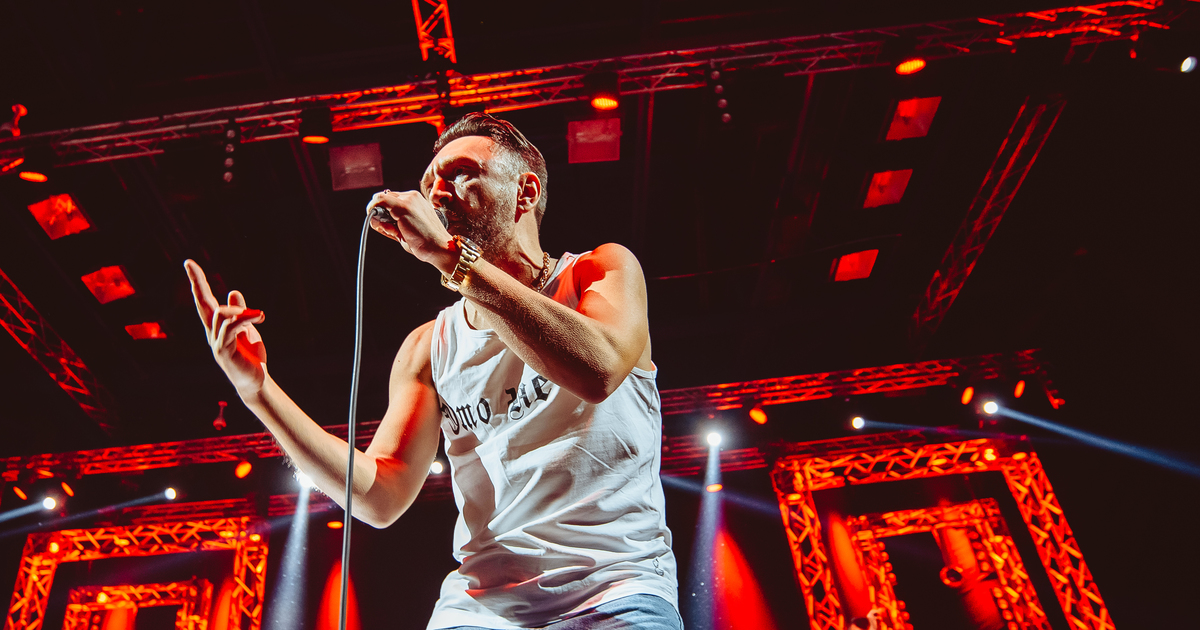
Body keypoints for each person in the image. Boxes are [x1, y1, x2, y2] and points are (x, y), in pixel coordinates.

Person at [184, 113, 680, 630]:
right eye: (429, 183)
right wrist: (258, 391)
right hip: (479, 611)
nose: (437, 193)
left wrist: (451, 259)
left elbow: (598, 369)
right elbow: (380, 496)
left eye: (460, 173)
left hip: (615, 593)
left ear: (525, 191)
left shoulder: (598, 272)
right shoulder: (429, 346)